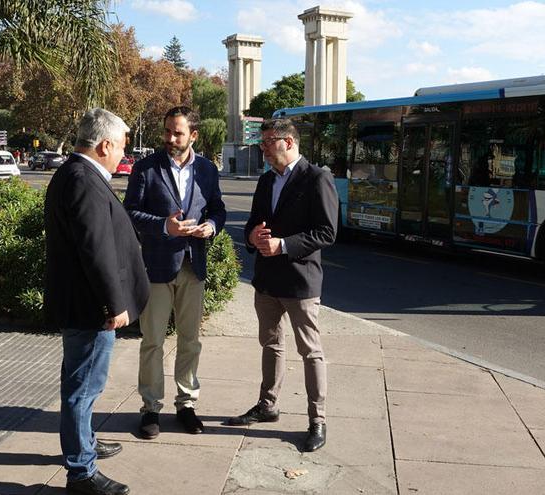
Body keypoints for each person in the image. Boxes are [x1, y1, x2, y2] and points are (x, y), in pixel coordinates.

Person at [44, 108, 149, 495]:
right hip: (91, 307)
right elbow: (96, 249)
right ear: (105, 144)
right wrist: (113, 303)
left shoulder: (77, 174)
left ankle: (83, 442)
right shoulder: (82, 179)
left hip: (85, 302)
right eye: (122, 145)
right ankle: (81, 473)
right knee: (83, 387)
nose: (124, 152)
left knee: (83, 383)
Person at [227, 118, 338, 452]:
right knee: (271, 344)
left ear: (288, 142)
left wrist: (283, 244)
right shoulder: (266, 181)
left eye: (267, 142)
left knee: (310, 350)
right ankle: (268, 404)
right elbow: (251, 224)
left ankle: (317, 419)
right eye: (261, 143)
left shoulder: (317, 178)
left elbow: (326, 232)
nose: (262, 149)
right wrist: (252, 236)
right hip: (267, 279)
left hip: (300, 279)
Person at [123, 106, 226, 439]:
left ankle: (187, 405)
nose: (170, 138)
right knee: (152, 341)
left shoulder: (208, 170)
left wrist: (211, 226)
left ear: (193, 135)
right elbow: (131, 213)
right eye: (167, 131)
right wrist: (164, 226)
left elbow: (218, 209)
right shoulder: (145, 168)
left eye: (177, 133)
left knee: (190, 341)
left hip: (193, 266)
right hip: (156, 267)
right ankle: (151, 408)